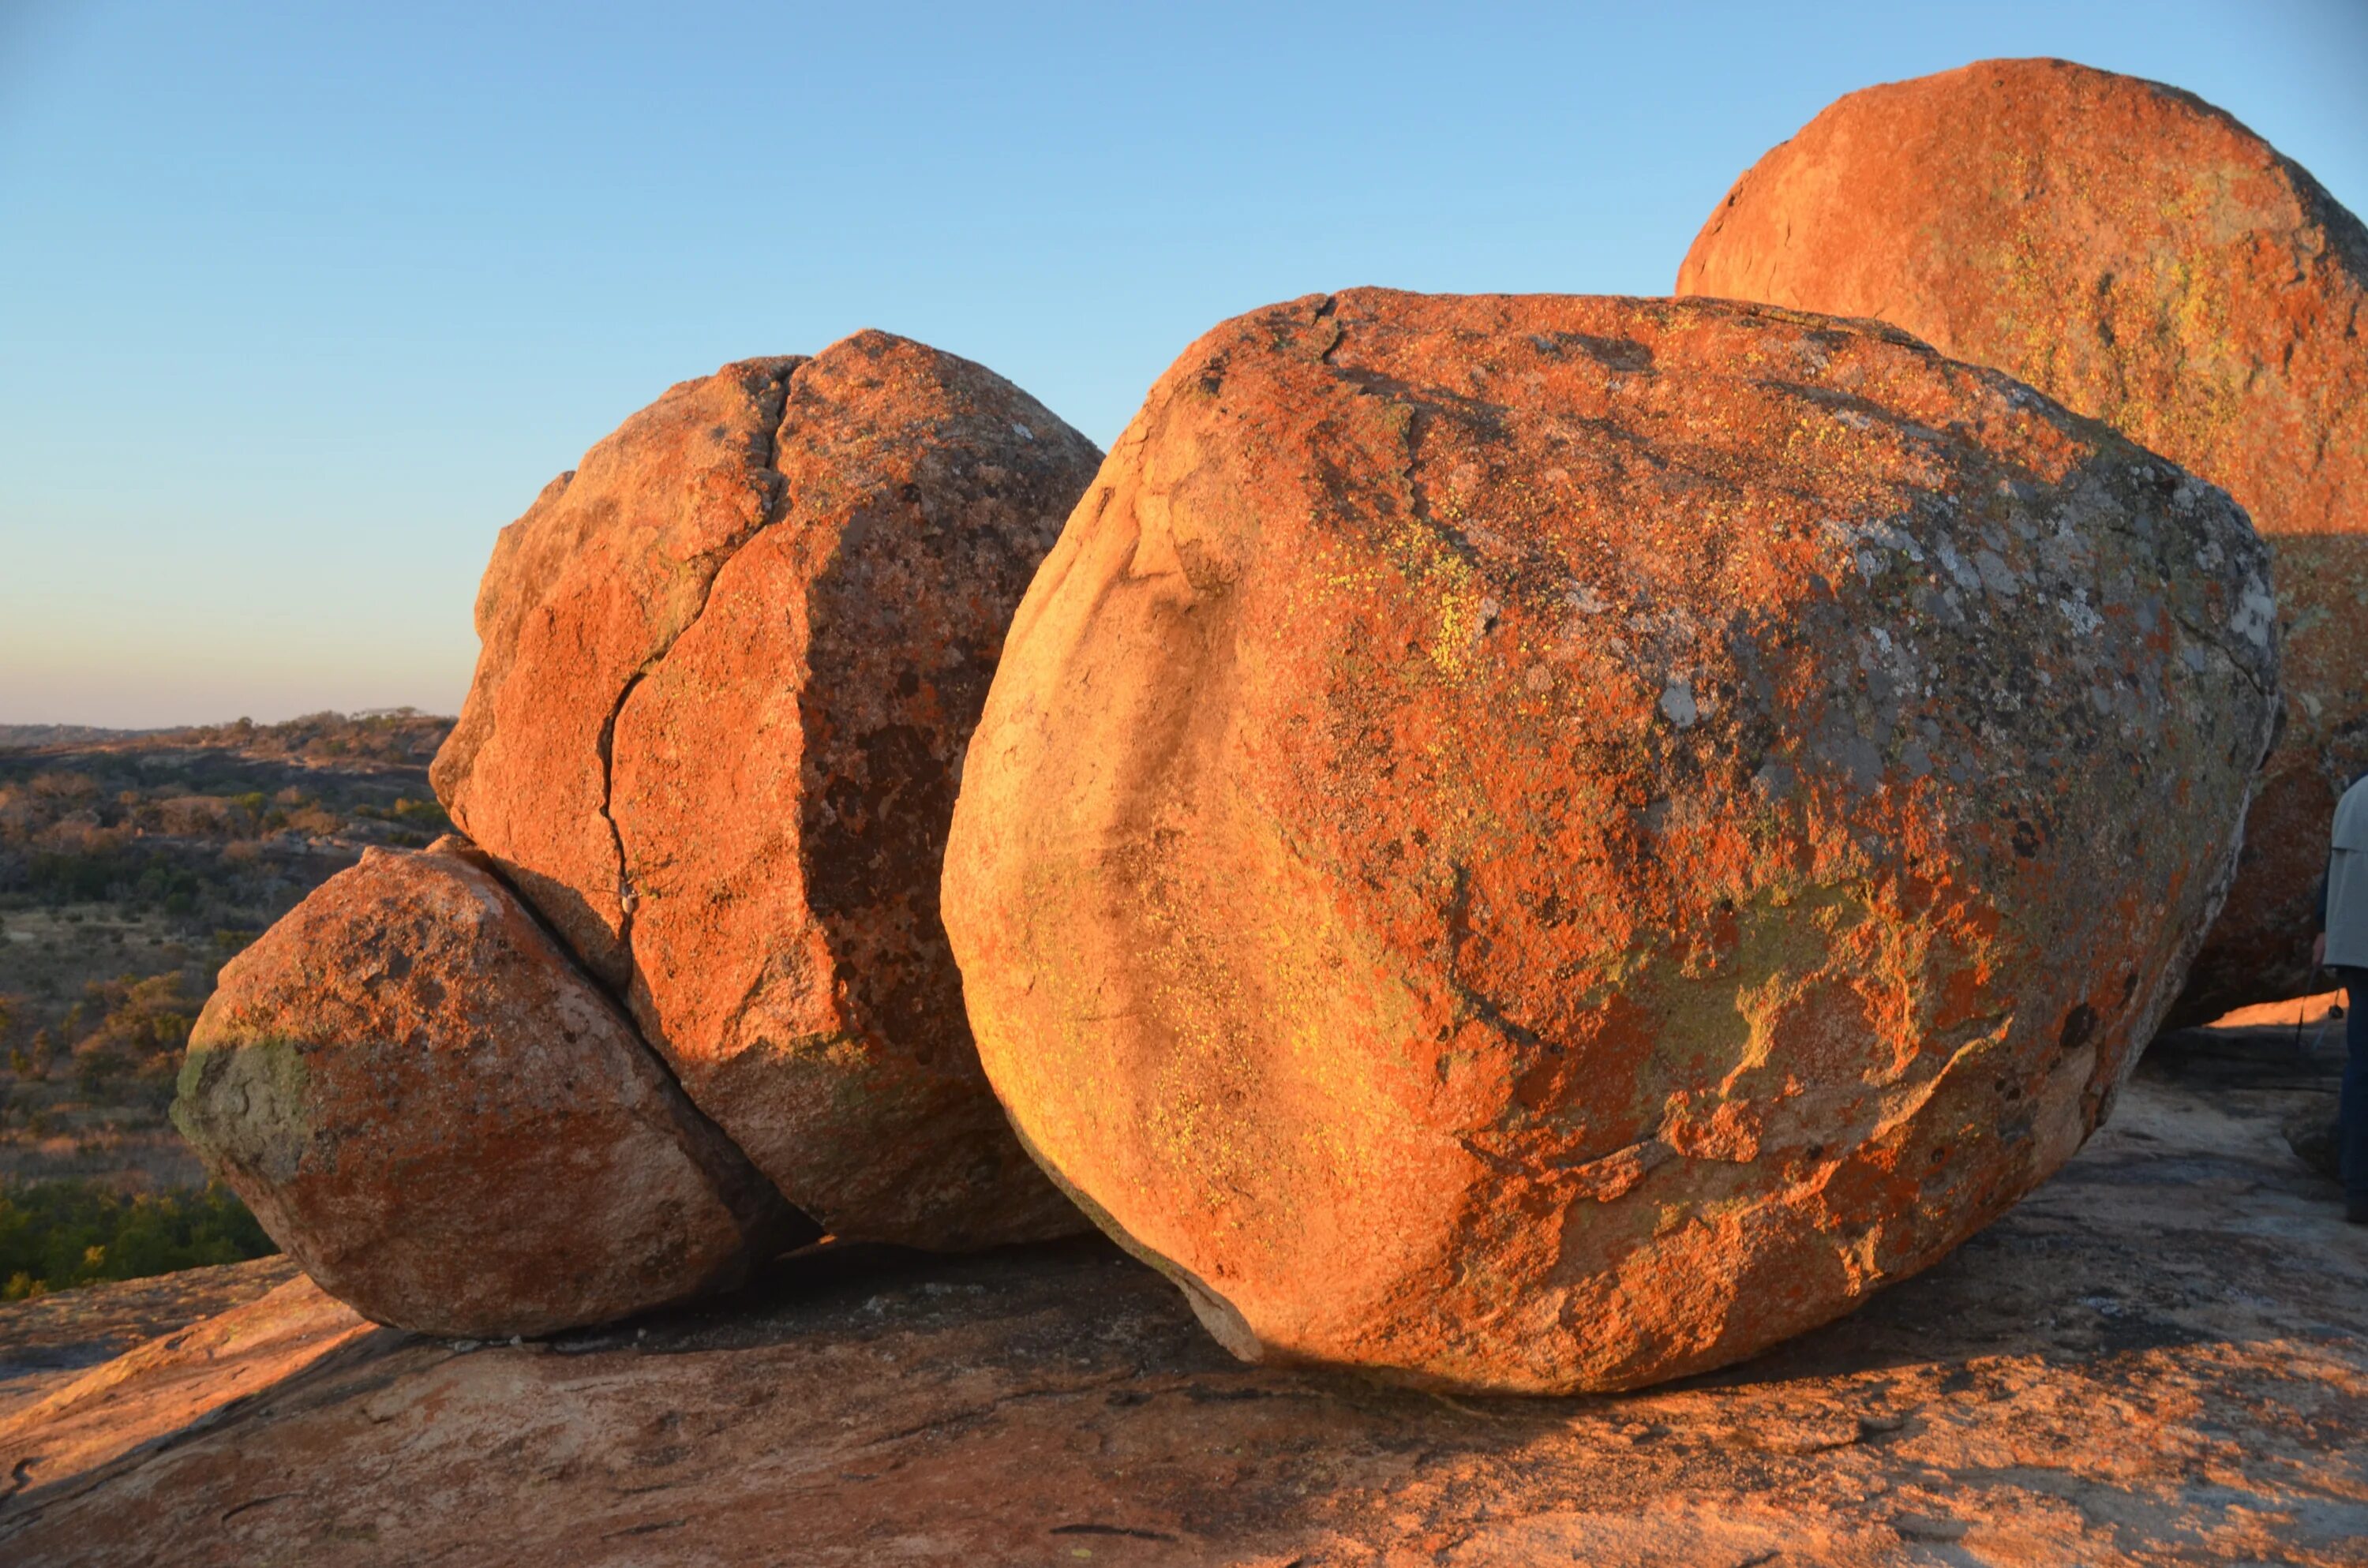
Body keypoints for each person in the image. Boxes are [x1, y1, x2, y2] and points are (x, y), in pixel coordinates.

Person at [2314, 769, 2368, 1225]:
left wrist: (2324, 930)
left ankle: (2358, 1190)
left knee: (2362, 1070)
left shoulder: (2353, 796)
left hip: (2355, 952)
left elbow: (2330, 875)